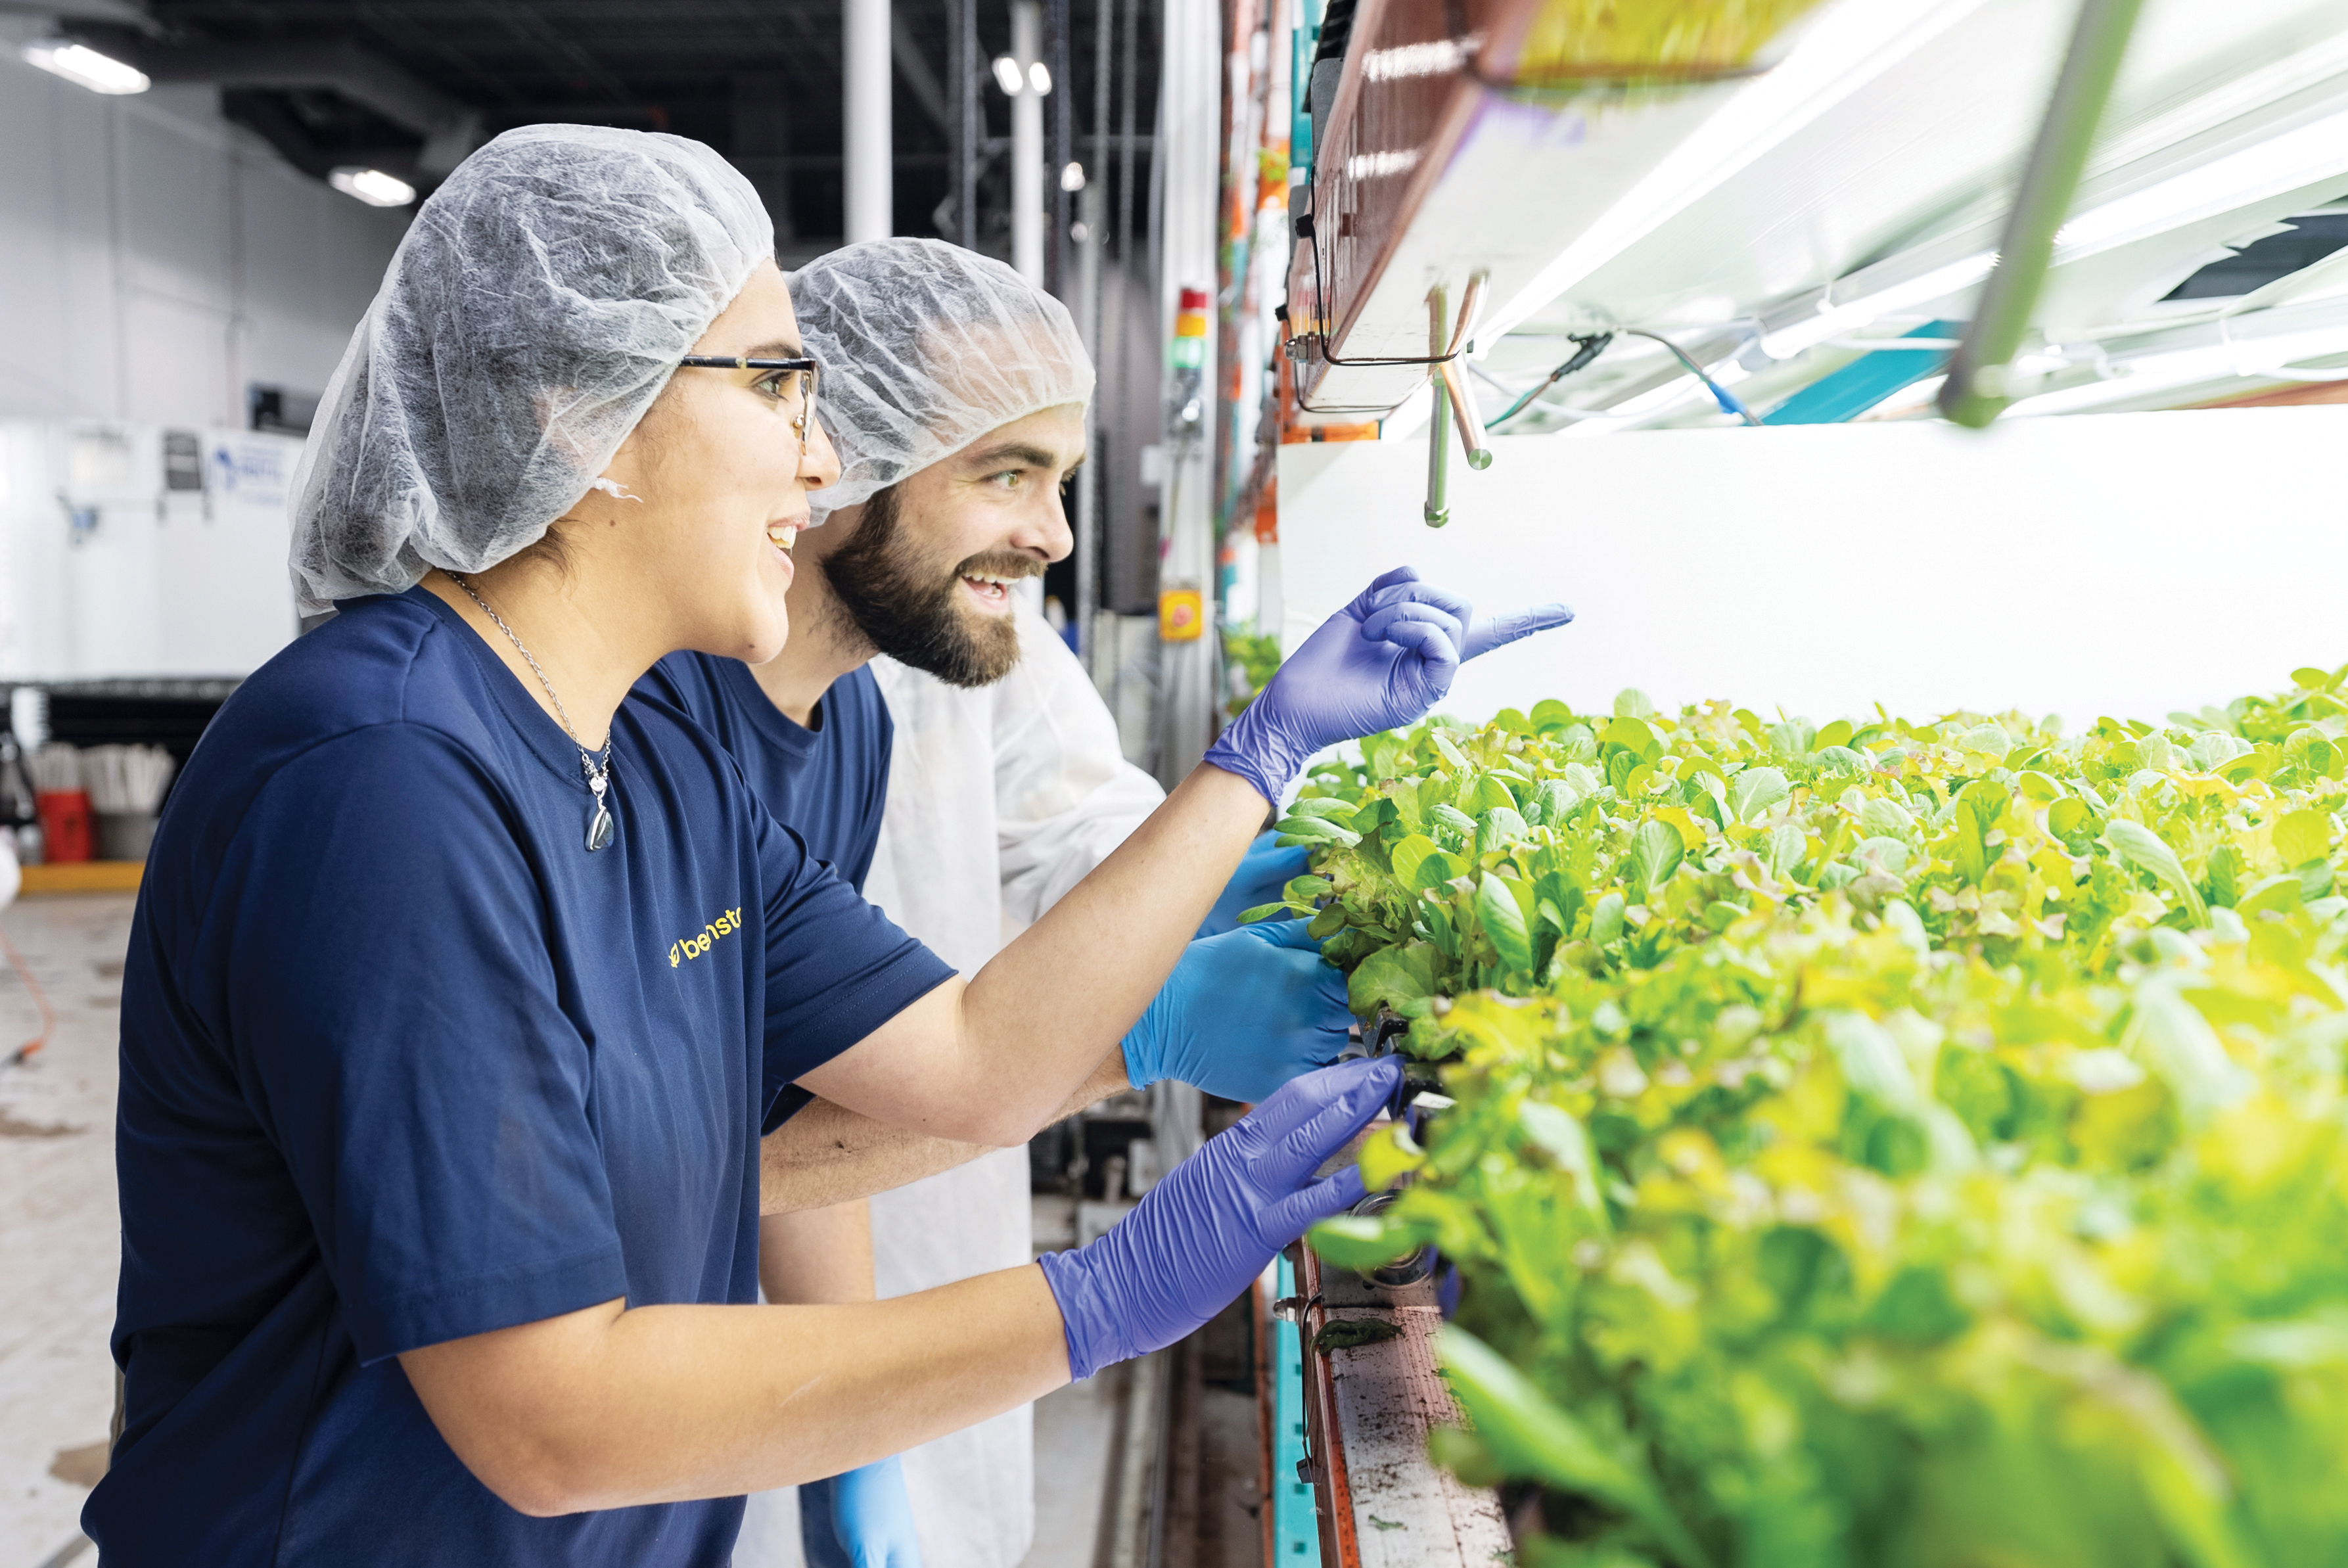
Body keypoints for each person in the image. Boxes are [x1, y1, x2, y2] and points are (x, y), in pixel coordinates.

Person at [88, 124, 1573, 1567]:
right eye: (780, 390)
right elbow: (549, 1417)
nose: (817, 465)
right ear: (576, 414)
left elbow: (974, 1054)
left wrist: (1255, 764)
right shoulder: (386, 779)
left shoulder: (651, 757)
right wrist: (1095, 1295)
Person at [636, 240, 1341, 1568]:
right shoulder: (629, 734)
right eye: (1004, 471)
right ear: (830, 455)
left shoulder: (852, 707)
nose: (1056, 535)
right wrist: (1141, 1044)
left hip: (881, 1264)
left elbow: (817, 1074)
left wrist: (1220, 860)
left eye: (1057, 478)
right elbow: (665, 1173)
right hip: (641, 1372)